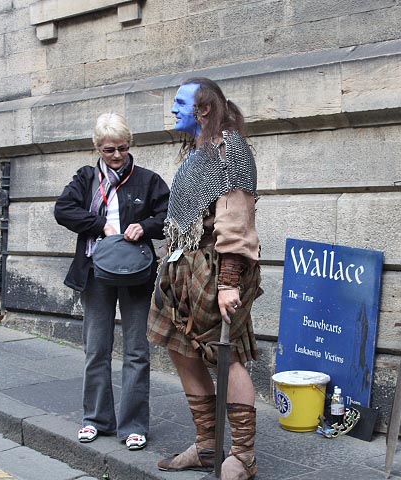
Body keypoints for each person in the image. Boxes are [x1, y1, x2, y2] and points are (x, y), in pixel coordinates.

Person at [148, 78, 261, 479]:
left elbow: (236, 221)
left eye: (180, 103)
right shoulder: (198, 152)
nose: (173, 109)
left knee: (228, 359)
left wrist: (229, 281)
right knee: (182, 350)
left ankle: (243, 456)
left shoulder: (230, 151)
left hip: (216, 270)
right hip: (183, 267)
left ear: (204, 108)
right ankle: (208, 447)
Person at [54, 112, 169, 451]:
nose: (117, 155)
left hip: (136, 273)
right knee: (96, 349)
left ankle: (133, 425)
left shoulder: (148, 180)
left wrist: (144, 227)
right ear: (97, 148)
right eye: (109, 149)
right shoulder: (86, 178)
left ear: (129, 144)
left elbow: (169, 216)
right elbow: (63, 209)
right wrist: (99, 224)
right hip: (96, 271)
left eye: (122, 147)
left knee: (136, 351)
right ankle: (96, 419)